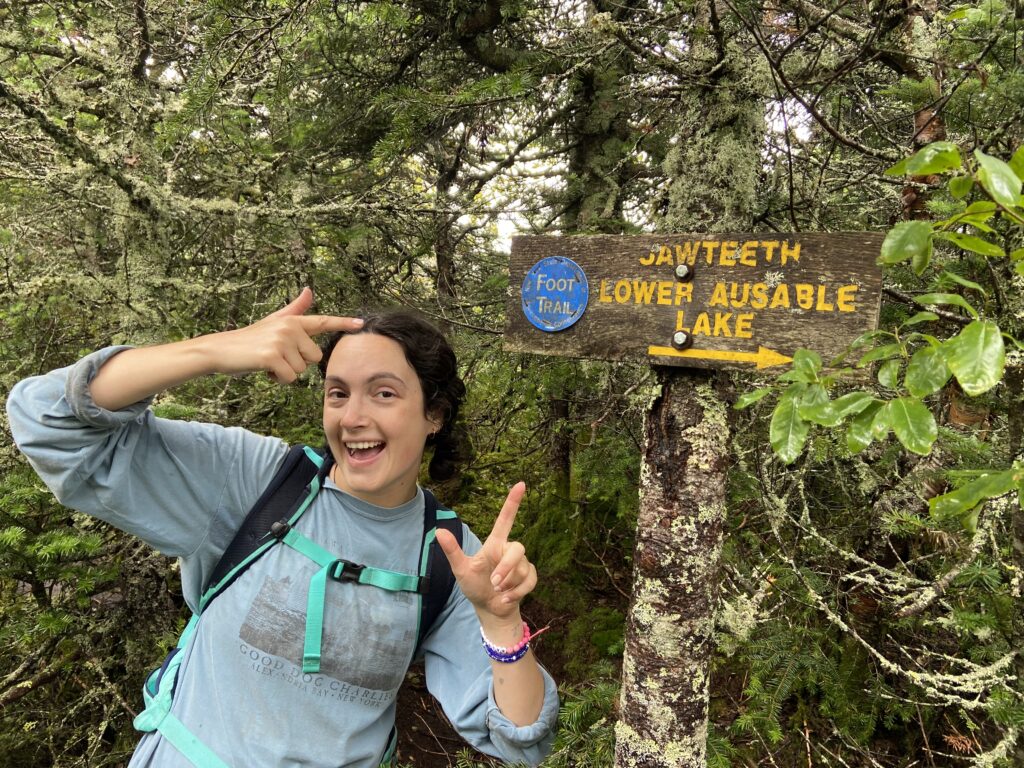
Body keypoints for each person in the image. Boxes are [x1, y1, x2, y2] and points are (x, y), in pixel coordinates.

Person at [6, 288, 559, 767]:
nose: (353, 417)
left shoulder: (448, 558)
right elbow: (46, 420)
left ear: (433, 414)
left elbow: (521, 739)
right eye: (337, 392)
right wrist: (211, 351)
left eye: (384, 393)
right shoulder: (256, 482)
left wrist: (501, 622)